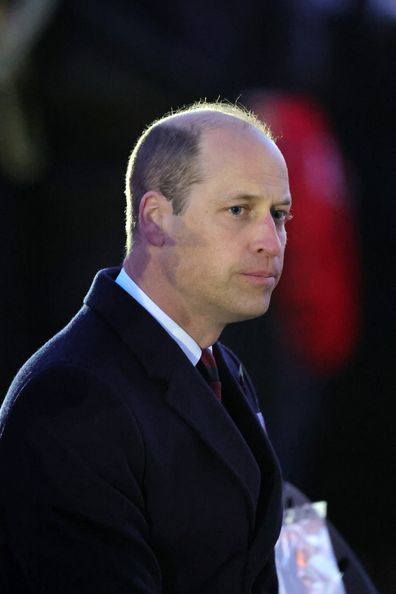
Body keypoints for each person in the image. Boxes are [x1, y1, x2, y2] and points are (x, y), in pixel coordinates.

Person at [0, 101, 292, 594]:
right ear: (156, 219)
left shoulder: (221, 367)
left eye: (279, 214)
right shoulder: (72, 397)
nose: (271, 240)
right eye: (239, 210)